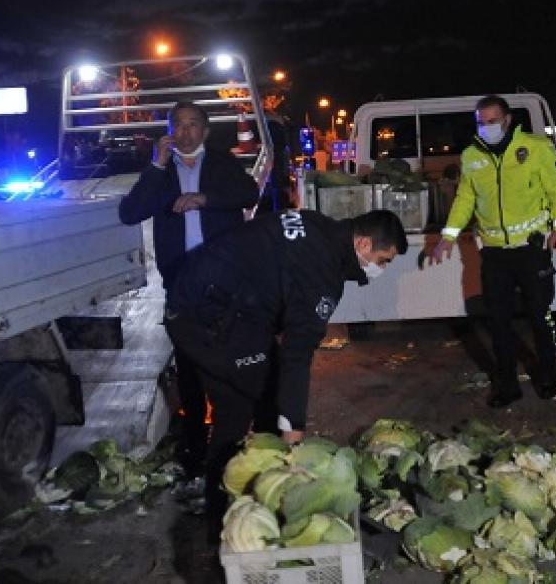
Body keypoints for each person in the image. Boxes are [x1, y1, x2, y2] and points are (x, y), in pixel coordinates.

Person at [164, 208, 406, 537]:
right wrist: (293, 428)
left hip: (208, 302)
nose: (382, 269)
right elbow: (297, 353)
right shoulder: (321, 277)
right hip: (206, 318)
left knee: (257, 396)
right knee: (249, 406)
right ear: (363, 244)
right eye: (384, 259)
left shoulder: (319, 224)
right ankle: (230, 516)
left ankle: (243, 501)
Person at [117, 101, 259, 499]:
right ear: (169, 131)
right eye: (177, 125)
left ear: (206, 131)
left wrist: (204, 198)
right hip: (181, 282)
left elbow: (248, 193)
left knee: (229, 359)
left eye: (193, 124)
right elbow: (130, 213)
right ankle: (194, 447)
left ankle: (234, 439)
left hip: (223, 282)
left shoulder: (220, 163)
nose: (185, 132)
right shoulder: (162, 171)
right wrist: (156, 166)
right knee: (191, 365)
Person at [429, 94, 556, 408]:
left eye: (493, 121)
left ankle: (547, 376)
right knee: (498, 321)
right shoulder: (471, 156)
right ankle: (507, 385)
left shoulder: (535, 148)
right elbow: (465, 199)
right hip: (494, 254)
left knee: (540, 316)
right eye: (482, 123)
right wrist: (448, 237)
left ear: (507, 120)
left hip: (532, 250)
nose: (487, 127)